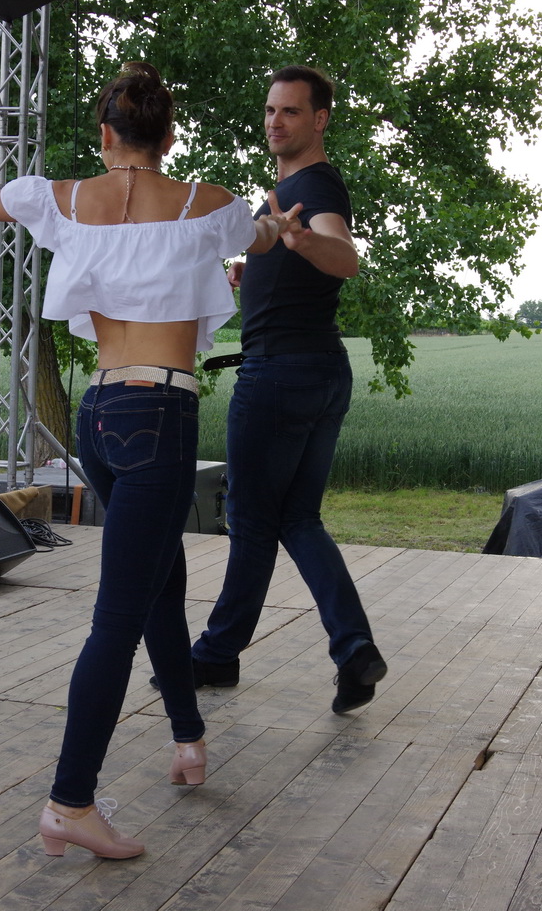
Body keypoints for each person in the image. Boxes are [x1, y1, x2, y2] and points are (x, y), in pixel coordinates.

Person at [0, 62, 301, 860]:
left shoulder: (58, 199)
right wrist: (280, 226)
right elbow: (262, 236)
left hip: (99, 415)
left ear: (105, 135)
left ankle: (188, 737)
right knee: (118, 617)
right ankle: (70, 802)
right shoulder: (208, 205)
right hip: (159, 416)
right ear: (169, 138)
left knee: (159, 577)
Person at [190, 66, 387, 714]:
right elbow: (305, 262)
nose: (276, 121)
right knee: (297, 518)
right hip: (319, 370)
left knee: (251, 520)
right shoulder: (294, 190)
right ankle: (355, 650)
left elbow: (343, 255)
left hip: (279, 376)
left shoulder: (313, 186)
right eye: (271, 110)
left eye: (292, 111)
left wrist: (300, 241)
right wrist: (259, 266)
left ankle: (217, 654)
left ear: (320, 119)